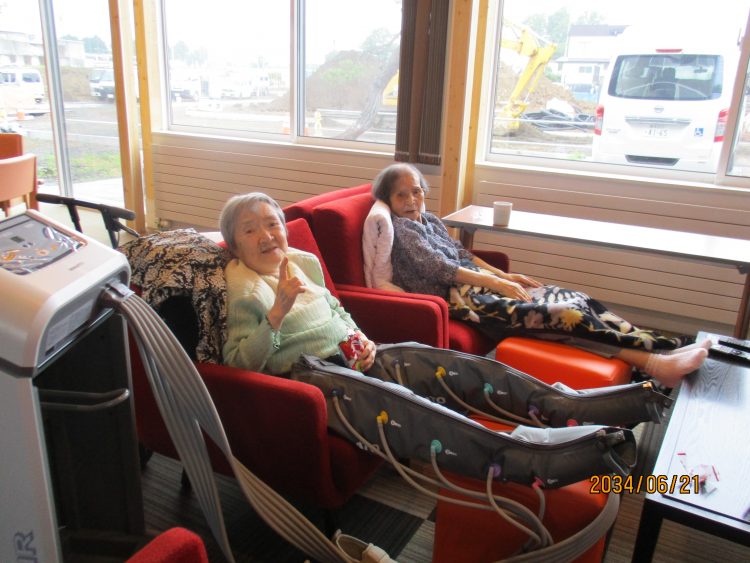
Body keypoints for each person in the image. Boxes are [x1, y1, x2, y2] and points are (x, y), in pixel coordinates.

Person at [372, 162, 711, 388]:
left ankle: (658, 350)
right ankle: (654, 363)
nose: (412, 199)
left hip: (476, 283)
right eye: (401, 194)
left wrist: (507, 275)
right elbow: (440, 268)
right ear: (388, 199)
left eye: (416, 191)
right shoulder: (404, 230)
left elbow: (462, 253)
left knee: (576, 299)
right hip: (456, 298)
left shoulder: (429, 220)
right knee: (563, 316)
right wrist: (497, 282)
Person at [220, 192, 376, 375]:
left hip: (354, 359)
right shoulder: (246, 291)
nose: (267, 236)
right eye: (249, 231)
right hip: (319, 375)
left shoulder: (303, 262)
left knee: (406, 357)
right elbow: (237, 363)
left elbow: (334, 307)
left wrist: (361, 337)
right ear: (235, 247)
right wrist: (277, 313)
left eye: (272, 224)